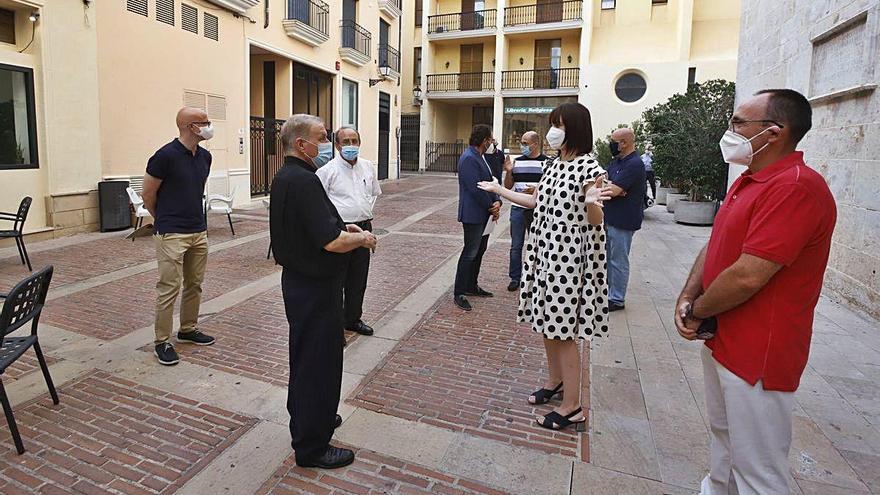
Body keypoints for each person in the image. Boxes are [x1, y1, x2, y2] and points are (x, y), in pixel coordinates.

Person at [675, 89, 836, 495]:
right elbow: (716, 243)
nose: (730, 132)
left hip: (758, 350)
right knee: (725, 441)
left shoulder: (796, 187)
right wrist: (688, 294)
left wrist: (698, 309)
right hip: (724, 338)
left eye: (737, 124)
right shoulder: (749, 179)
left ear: (774, 132)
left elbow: (750, 274)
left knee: (758, 468)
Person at [478, 102, 613, 430]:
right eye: (553, 124)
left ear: (576, 130)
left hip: (569, 262)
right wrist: (501, 190)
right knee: (547, 326)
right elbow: (535, 201)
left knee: (564, 332)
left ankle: (572, 407)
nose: (554, 132)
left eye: (560, 125)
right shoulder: (553, 166)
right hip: (543, 255)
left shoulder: (590, 168)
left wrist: (593, 204)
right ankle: (556, 382)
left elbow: (596, 219)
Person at [270, 114, 378, 469]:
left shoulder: (288, 177)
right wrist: (361, 237)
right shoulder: (303, 181)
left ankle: (310, 420)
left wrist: (341, 225)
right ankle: (312, 446)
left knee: (307, 359)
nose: (328, 142)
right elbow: (330, 242)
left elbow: (315, 226)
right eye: (321, 137)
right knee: (318, 363)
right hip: (314, 288)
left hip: (304, 284)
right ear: (301, 144)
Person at [142, 107, 217, 366]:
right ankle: (162, 341)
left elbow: (195, 191)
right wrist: (163, 218)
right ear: (190, 126)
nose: (209, 126)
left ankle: (187, 329)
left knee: (195, 284)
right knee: (168, 288)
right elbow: (148, 194)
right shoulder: (165, 156)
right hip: (172, 233)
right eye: (204, 122)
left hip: (198, 230)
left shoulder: (205, 157)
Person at [317, 126, 382, 338]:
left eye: (354, 141)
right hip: (340, 231)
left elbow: (373, 193)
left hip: (364, 228)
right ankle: (333, 323)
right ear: (337, 145)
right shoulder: (326, 171)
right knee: (337, 279)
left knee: (358, 277)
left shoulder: (367, 167)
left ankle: (352, 319)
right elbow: (319, 203)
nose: (351, 146)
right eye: (346, 142)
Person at [453, 125, 501, 312]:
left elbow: (491, 182)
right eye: (490, 139)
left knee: (479, 251)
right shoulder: (468, 158)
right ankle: (459, 292)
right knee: (470, 252)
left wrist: (497, 202)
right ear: (484, 140)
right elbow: (475, 188)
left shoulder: (482, 157)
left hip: (485, 213)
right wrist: (492, 206)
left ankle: (472, 285)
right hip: (474, 214)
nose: (492, 143)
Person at [603, 128, 646, 312]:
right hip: (611, 216)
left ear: (624, 143)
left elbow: (612, 190)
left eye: (614, 141)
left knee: (618, 260)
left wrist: (616, 189)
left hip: (624, 219)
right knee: (609, 258)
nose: (611, 145)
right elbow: (603, 183)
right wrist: (615, 188)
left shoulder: (634, 164)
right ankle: (609, 292)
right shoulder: (616, 162)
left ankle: (617, 298)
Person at [502, 131, 547, 292]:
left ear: (535, 144)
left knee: (539, 245)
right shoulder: (517, 163)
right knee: (516, 245)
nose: (522, 146)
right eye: (522, 142)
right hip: (518, 208)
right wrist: (508, 171)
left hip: (538, 210)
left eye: (526, 143)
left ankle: (538, 276)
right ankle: (515, 278)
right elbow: (507, 186)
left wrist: (536, 190)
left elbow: (551, 189)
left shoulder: (547, 163)